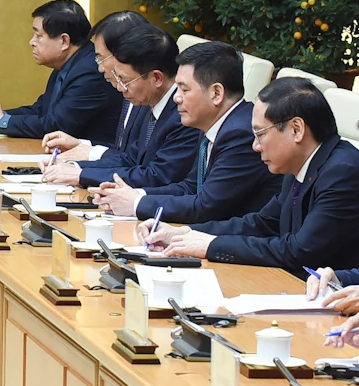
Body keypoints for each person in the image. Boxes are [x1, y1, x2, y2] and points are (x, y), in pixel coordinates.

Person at [146, 76, 359, 271]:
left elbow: (299, 251)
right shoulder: (302, 162)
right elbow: (261, 224)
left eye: (260, 134)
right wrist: (186, 234)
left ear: (296, 129)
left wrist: (211, 246)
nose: (255, 146)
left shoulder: (342, 172)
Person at [96, 40, 278, 224]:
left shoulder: (241, 134)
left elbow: (205, 207)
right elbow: (190, 187)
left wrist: (136, 203)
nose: (176, 98)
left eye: (184, 89)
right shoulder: (214, 123)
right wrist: (131, 195)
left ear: (216, 93)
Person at [40, 22, 197, 189]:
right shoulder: (150, 103)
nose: (120, 88)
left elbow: (156, 176)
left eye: (126, 80)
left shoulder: (183, 115)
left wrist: (81, 176)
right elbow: (129, 159)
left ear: (156, 78)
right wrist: (74, 167)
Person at [0, 0, 124, 145]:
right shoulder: (68, 64)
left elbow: (56, 125)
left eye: (38, 35)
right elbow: (41, 110)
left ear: (64, 41)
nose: (31, 42)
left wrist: (1, 121)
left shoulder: (91, 71)